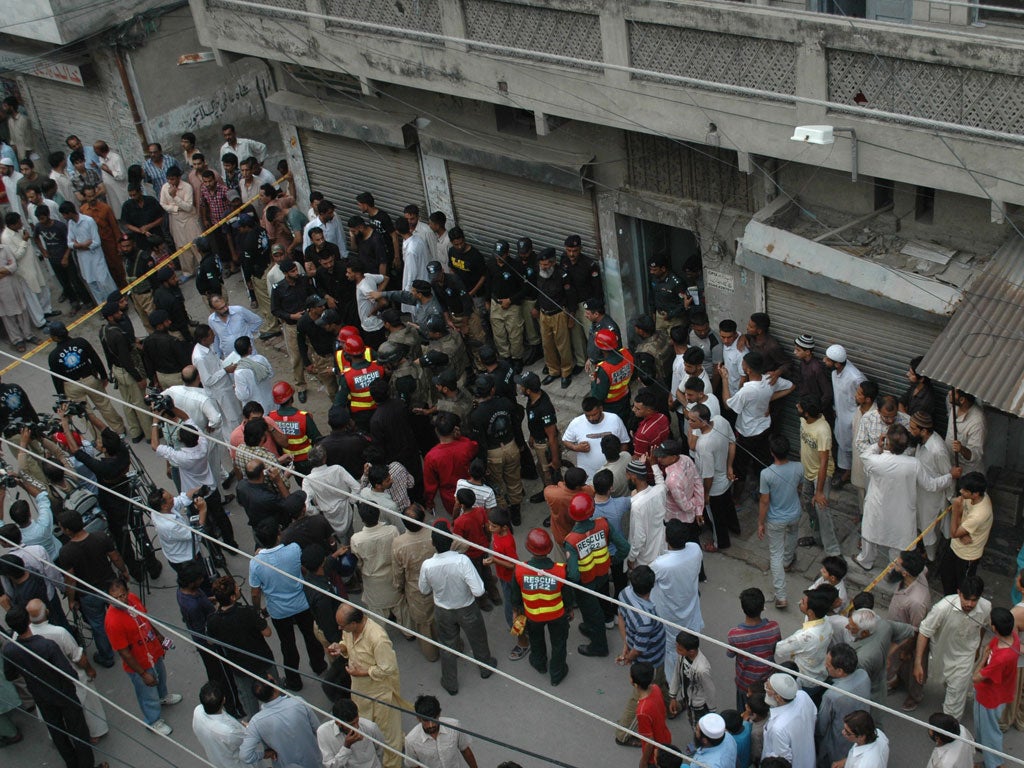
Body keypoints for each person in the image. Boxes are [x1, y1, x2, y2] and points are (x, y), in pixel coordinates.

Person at [2, 606, 102, 768]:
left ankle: (72, 763)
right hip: (63, 693)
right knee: (79, 731)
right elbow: (69, 673)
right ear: (28, 621)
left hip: (41, 696)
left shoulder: (11, 650)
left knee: (58, 733)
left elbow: (10, 675)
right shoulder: (46, 645)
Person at [418, 520, 497, 696]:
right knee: (478, 639)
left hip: (442, 610)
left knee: (447, 645)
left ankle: (450, 682)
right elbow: (478, 590)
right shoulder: (462, 561)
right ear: (451, 541)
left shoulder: (427, 565)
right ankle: (485, 667)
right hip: (467, 607)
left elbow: (423, 590)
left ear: (433, 543)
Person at [249, 520, 327, 689]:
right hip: (302, 604)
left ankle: (293, 680)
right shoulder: (293, 549)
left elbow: (255, 592)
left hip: (279, 610)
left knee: (288, 645)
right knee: (311, 637)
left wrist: (257, 609)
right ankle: (319, 665)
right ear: (278, 535)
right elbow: (303, 569)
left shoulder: (256, 563)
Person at [328, 605, 406, 768]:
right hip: (360, 691)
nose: (340, 628)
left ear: (355, 623)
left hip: (381, 694)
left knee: (388, 736)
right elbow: (346, 644)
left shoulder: (377, 638)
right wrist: (340, 647)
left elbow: (388, 668)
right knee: (365, 728)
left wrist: (363, 672)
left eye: (342, 625)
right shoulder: (350, 631)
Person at [103, 579, 183, 735]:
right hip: (139, 663)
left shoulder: (133, 599)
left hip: (153, 651)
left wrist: (160, 638)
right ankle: (153, 721)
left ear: (127, 591)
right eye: (115, 597)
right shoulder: (112, 621)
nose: (121, 600)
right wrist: (143, 674)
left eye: (122, 595)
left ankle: (162, 697)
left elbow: (146, 621)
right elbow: (124, 652)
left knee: (161, 677)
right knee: (147, 692)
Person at [25, 598, 108, 742]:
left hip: (44, 680)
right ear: (47, 612)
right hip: (69, 675)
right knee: (87, 704)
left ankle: (67, 736)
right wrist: (89, 669)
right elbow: (77, 656)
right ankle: (95, 732)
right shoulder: (59, 633)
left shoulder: (22, 634)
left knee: (57, 712)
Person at [914, 575, 992, 719]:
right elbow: (924, 632)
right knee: (947, 684)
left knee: (956, 695)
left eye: (974, 600)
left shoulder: (986, 607)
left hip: (965, 657)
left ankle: (950, 729)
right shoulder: (942, 608)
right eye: (966, 598)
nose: (969, 604)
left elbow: (983, 626)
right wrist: (918, 663)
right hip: (941, 654)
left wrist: (977, 648)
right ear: (959, 593)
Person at [206, 576, 277, 719]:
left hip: (239, 667)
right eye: (237, 588)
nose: (239, 589)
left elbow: (210, 642)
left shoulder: (213, 620)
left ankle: (256, 726)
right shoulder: (247, 612)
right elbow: (267, 632)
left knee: (249, 702)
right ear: (233, 597)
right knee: (274, 692)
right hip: (262, 660)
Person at [511, 528, 572, 686]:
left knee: (537, 641)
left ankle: (539, 664)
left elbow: (515, 598)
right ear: (549, 548)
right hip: (557, 616)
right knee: (559, 644)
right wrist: (570, 610)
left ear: (529, 548)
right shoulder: (560, 570)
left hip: (533, 617)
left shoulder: (520, 569)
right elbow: (568, 597)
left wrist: (516, 612)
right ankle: (557, 674)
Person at [854, 424, 919, 572]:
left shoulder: (877, 461)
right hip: (901, 511)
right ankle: (892, 570)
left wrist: (877, 445)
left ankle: (866, 561)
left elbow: (864, 455)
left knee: (870, 535)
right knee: (897, 541)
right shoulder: (914, 464)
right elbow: (931, 484)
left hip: (878, 506)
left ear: (887, 442)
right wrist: (949, 477)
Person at [614, 566, 667, 742]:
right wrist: (628, 656)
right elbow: (639, 649)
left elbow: (621, 617)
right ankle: (623, 734)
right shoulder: (647, 618)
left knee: (660, 683)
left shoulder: (625, 593)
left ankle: (669, 704)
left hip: (651, 656)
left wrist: (626, 645)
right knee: (640, 697)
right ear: (651, 586)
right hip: (649, 661)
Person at [47, 321, 126, 435]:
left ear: (54, 337)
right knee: (104, 405)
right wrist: (103, 376)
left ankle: (100, 438)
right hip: (90, 379)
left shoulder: (53, 356)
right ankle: (120, 430)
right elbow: (95, 359)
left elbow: (57, 379)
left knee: (85, 414)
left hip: (72, 386)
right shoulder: (80, 342)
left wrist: (62, 397)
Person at [758, 436, 804, 608]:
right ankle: (788, 561)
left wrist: (760, 523)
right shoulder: (799, 467)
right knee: (793, 535)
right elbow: (800, 486)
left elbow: (764, 501)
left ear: (772, 453)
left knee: (774, 555)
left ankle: (781, 595)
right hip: (795, 514)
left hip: (776, 519)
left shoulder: (766, 474)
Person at [392, 504, 440, 662]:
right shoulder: (434, 533)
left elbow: (398, 571)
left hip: (416, 589)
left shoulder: (399, 543)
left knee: (424, 625)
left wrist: (399, 587)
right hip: (439, 582)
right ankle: (453, 647)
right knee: (443, 617)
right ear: (423, 518)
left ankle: (431, 654)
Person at [972, 607, 1019, 768]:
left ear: (994, 628)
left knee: (990, 732)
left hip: (990, 697)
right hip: (997, 693)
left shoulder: (1001, 658)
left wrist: (984, 657)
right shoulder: (1012, 638)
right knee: (984, 727)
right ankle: (985, 751)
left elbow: (976, 677)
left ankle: (994, 763)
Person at [886, 550, 932, 712]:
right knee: (898, 665)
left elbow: (916, 631)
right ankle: (898, 681)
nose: (893, 565)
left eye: (897, 564)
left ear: (905, 573)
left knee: (914, 669)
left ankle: (915, 696)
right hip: (897, 633)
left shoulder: (916, 602)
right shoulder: (919, 572)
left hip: (908, 640)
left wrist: (908, 650)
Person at [240, 678, 320, 768]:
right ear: (275, 689)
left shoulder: (256, 722)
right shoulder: (298, 702)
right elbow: (318, 730)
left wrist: (265, 754)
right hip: (314, 761)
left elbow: (245, 756)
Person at [796, 396, 839, 557]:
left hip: (820, 475)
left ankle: (833, 551)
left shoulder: (823, 430)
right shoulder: (804, 421)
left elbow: (824, 462)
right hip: (807, 472)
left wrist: (819, 491)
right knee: (808, 504)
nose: (796, 407)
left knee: (822, 510)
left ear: (807, 413)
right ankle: (817, 536)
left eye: (799, 407)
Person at [815, 644, 871, 768]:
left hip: (837, 743)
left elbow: (821, 726)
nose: (825, 666)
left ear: (840, 671)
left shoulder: (832, 695)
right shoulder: (863, 675)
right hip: (860, 736)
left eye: (828, 665)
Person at [726, 588, 781, 711]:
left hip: (745, 683)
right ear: (762, 607)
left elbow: (730, 654)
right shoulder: (774, 627)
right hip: (768, 681)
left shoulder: (734, 635)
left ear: (743, 609)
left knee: (744, 712)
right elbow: (777, 647)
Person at [940, 471, 993, 596]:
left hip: (967, 554)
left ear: (975, 494)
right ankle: (948, 600)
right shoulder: (976, 496)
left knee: (964, 586)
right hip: (955, 546)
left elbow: (953, 533)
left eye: (965, 491)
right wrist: (962, 534)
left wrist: (955, 510)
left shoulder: (980, 513)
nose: (961, 492)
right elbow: (957, 533)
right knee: (946, 576)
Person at [824, 345, 866, 487]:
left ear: (837, 363)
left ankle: (849, 474)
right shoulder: (834, 373)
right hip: (840, 415)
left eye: (827, 360)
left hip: (852, 418)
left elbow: (865, 396)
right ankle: (844, 470)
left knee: (851, 446)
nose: (824, 361)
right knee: (842, 443)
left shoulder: (855, 377)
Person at [422, 412, 479, 516]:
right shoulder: (466, 446)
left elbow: (430, 485)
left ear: (436, 431)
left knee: (458, 520)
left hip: (450, 497)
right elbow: (474, 446)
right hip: (471, 490)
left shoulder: (431, 456)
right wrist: (460, 437)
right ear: (455, 430)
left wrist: (429, 502)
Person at [562, 397, 630, 483]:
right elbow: (565, 441)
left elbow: (624, 442)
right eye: (587, 415)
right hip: (588, 476)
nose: (591, 418)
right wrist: (576, 448)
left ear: (601, 408)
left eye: (594, 414)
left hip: (614, 473)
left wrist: (618, 463)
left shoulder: (614, 419)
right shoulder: (576, 423)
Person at [404, 694, 479, 768]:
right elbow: (413, 765)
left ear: (439, 714)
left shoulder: (454, 726)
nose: (431, 725)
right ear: (418, 718)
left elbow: (465, 750)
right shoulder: (411, 740)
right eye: (426, 721)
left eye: (434, 719)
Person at [761, 673, 816, 768]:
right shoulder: (803, 696)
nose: (765, 689)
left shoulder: (778, 728)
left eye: (768, 688)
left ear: (778, 697)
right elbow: (814, 716)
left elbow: (782, 760)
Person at [192, 681, 248, 768]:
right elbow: (246, 741)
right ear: (224, 700)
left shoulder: (197, 711)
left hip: (216, 759)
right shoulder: (227, 732)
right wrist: (248, 728)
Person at [316, 698, 385, 768]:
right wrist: (346, 747)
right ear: (338, 723)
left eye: (357, 721)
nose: (356, 727)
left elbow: (380, 750)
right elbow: (331, 766)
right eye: (351, 724)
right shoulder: (323, 733)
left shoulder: (370, 727)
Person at [628, 661, 673, 766]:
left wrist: (643, 761)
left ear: (635, 684)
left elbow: (649, 741)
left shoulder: (642, 711)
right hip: (665, 738)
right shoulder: (656, 689)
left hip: (654, 755)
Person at [945, 390, 986, 476]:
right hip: (950, 465)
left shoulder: (977, 422)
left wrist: (962, 449)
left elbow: (976, 454)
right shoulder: (953, 404)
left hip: (966, 473)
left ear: (962, 400)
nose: (949, 392)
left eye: (954, 392)